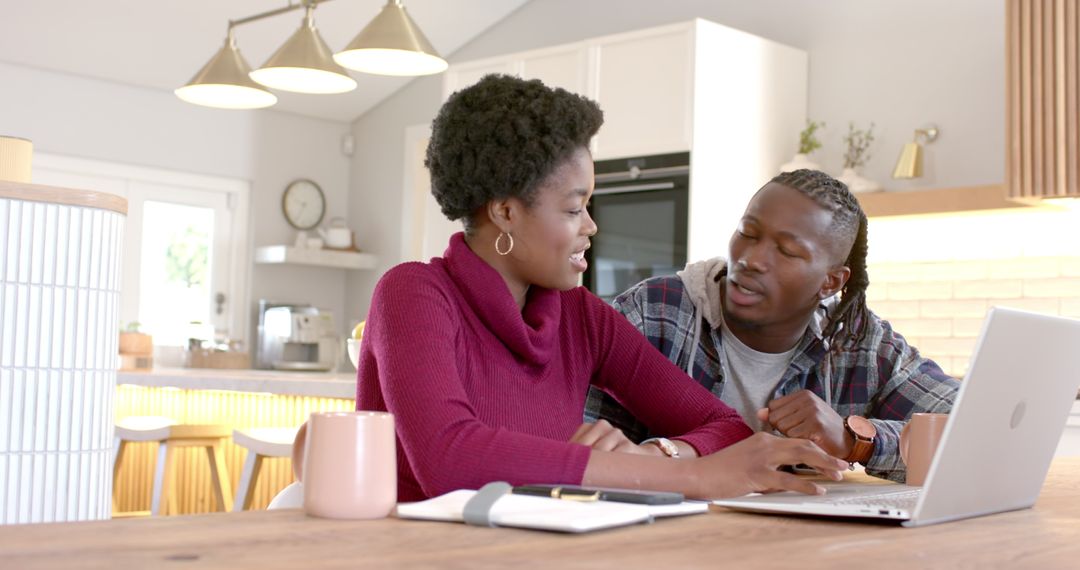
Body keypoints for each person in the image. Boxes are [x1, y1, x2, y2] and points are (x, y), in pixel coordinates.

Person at [355, 75, 847, 503]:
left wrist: (661, 452)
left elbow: (725, 426)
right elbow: (450, 458)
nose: (591, 226)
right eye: (573, 209)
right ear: (505, 211)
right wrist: (687, 476)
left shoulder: (580, 316)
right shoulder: (414, 294)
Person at [585, 169, 961, 482]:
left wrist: (854, 440)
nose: (751, 259)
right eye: (748, 233)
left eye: (787, 251)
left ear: (830, 282)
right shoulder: (653, 314)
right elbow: (584, 448)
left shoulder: (861, 344)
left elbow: (972, 429)